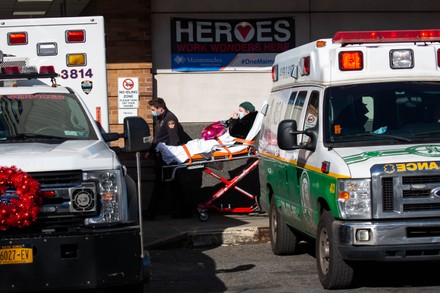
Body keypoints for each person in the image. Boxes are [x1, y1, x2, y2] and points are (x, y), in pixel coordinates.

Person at [156, 101, 258, 165]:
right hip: (223, 141)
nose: (238, 112)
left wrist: (234, 120)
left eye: (240, 111)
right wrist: (232, 120)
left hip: (226, 143)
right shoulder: (244, 121)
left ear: (247, 112)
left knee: (200, 145)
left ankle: (173, 152)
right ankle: (175, 150)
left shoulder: (245, 123)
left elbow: (234, 132)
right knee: (195, 143)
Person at [145, 97, 192, 220]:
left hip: (167, 158)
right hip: (162, 156)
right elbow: (158, 138)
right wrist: (150, 150)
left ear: (160, 109)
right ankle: (185, 210)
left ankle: (151, 212)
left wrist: (170, 158)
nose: (152, 112)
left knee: (162, 185)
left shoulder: (170, 119)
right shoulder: (161, 118)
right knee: (173, 185)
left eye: (153, 109)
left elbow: (173, 140)